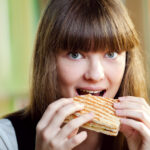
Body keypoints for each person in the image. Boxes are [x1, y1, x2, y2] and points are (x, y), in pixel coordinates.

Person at [0, 0, 150, 149]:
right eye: (75, 54)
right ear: (48, 60)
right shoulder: (6, 140)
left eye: (111, 54)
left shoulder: (145, 136)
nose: (96, 75)